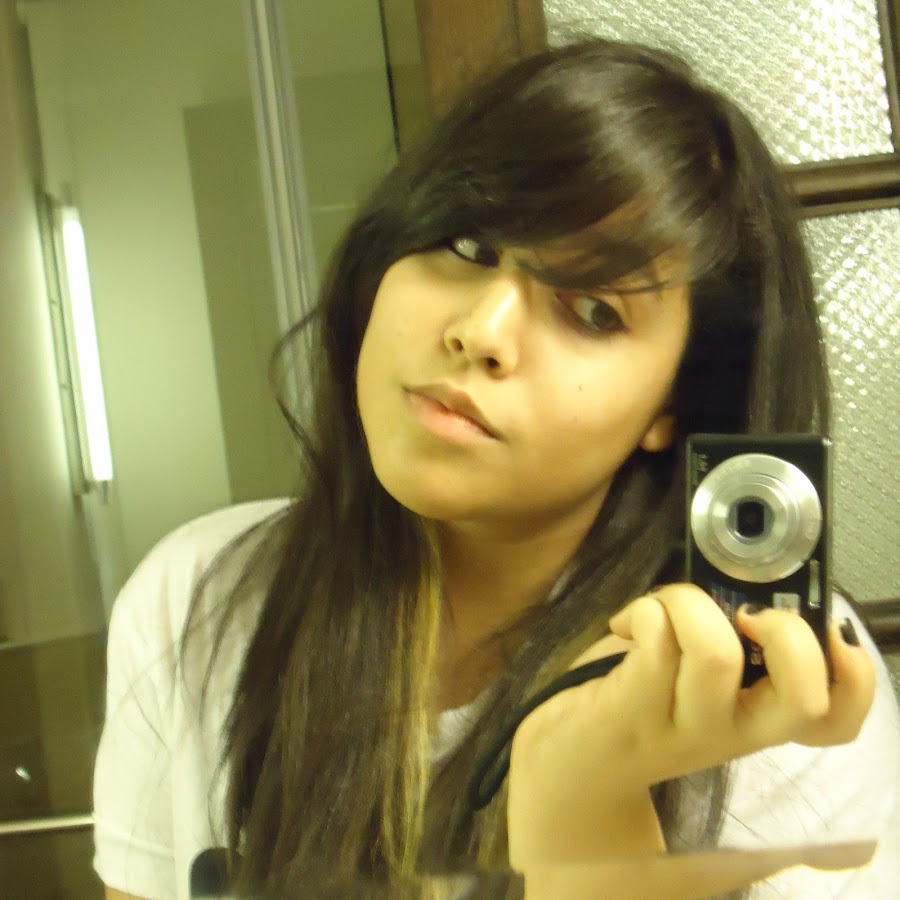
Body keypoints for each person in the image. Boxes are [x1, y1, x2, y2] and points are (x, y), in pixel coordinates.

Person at [92, 37, 900, 900]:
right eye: (469, 244)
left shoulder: (772, 708)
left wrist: (583, 810)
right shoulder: (196, 598)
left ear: (672, 406)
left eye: (593, 311)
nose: (480, 332)